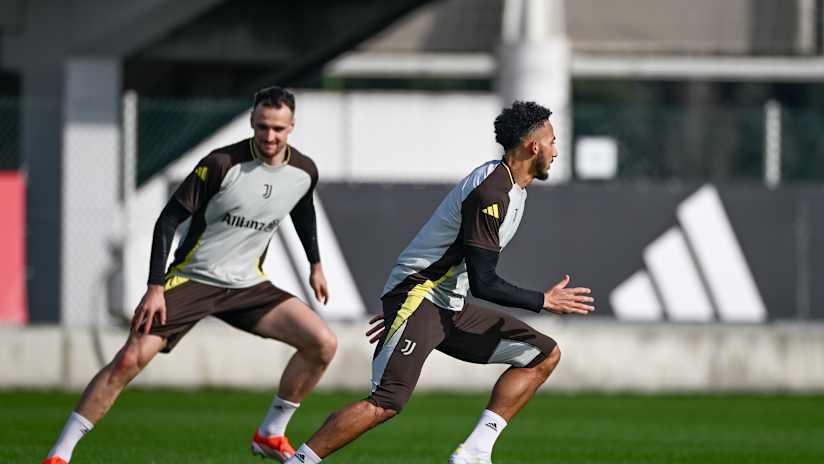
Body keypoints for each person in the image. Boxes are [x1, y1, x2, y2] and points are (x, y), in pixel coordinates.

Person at [285, 101, 595, 464]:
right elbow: (484, 282)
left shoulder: (512, 189)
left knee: (543, 354)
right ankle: (299, 461)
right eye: (553, 142)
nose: (556, 151)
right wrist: (543, 300)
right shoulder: (492, 193)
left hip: (444, 304)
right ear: (533, 146)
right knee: (387, 402)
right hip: (421, 296)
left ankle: (474, 453)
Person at [42, 86, 337, 464]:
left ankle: (270, 433)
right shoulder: (220, 164)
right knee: (129, 359)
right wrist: (155, 287)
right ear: (252, 121)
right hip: (194, 279)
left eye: (278, 129)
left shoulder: (303, 171)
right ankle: (60, 455)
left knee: (322, 343)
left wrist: (315, 264)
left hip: (248, 284)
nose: (269, 136)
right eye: (262, 126)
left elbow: (302, 210)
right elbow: (168, 219)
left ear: (291, 126)